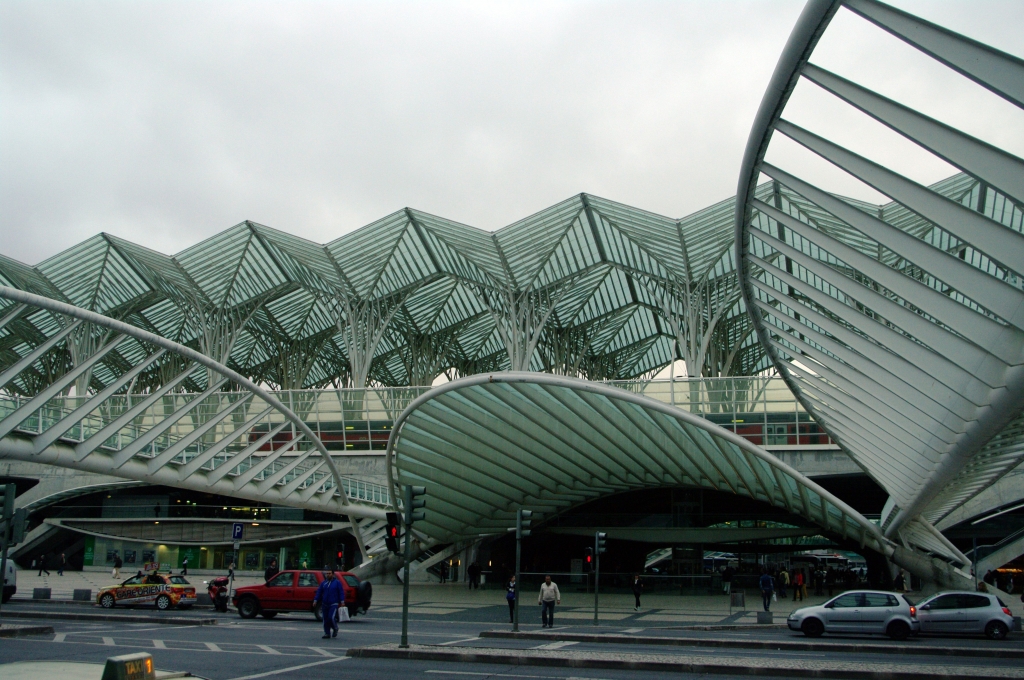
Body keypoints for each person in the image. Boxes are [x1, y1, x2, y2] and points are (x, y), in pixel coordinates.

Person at [313, 569, 344, 640]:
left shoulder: (337, 583)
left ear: (333, 574)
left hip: (333, 603)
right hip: (325, 604)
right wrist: (315, 600)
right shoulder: (323, 583)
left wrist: (342, 601)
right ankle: (327, 633)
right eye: (327, 573)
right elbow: (319, 592)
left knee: (331, 617)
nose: (328, 575)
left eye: (329, 573)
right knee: (325, 619)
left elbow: (341, 592)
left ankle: (335, 628)